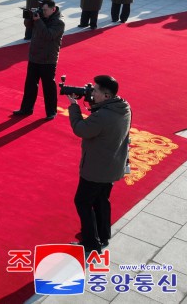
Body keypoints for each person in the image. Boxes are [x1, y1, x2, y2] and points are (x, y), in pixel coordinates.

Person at [67, 75, 131, 255]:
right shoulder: (123, 106)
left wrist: (74, 106)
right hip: (112, 165)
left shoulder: (103, 116)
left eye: (95, 91)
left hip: (96, 169)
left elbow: (81, 129)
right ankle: (103, 235)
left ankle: (90, 243)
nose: (91, 92)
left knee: (82, 201)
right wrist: (92, 104)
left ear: (107, 96)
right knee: (101, 200)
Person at [13, 0, 64, 120]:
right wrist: (29, 16)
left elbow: (48, 35)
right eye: (42, 9)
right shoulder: (40, 17)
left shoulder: (58, 23)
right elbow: (28, 26)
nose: (43, 12)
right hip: (34, 57)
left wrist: (38, 20)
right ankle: (26, 109)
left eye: (45, 10)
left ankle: (51, 111)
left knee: (48, 87)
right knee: (30, 85)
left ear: (53, 9)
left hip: (48, 60)